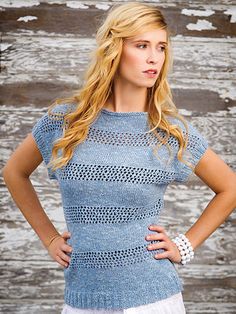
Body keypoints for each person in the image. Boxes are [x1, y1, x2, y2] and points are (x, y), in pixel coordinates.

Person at [2, 2, 236, 314]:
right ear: (114, 49)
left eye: (161, 47)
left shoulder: (169, 132)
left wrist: (184, 245)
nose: (154, 57)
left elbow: (230, 187)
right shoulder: (64, 122)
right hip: (80, 302)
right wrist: (49, 239)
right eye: (142, 45)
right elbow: (14, 172)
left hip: (153, 300)